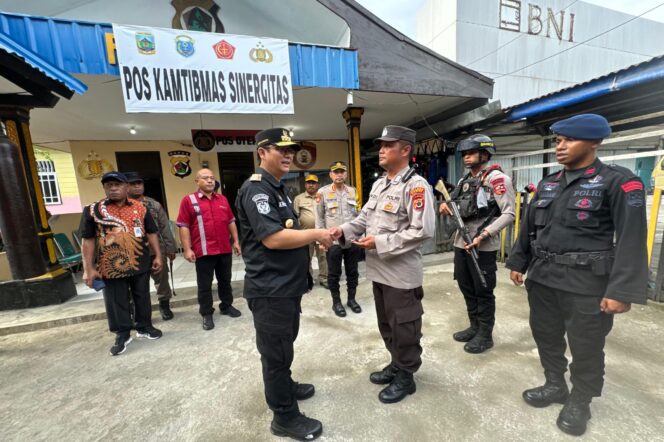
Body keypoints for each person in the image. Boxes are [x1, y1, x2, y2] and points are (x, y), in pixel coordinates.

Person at [506, 114, 648, 436]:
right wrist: (518, 261)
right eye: (558, 140)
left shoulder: (617, 181)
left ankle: (581, 400)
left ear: (594, 142)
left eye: (569, 139)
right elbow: (529, 226)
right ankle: (555, 384)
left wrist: (622, 290)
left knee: (586, 346)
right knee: (546, 336)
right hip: (543, 278)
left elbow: (632, 238)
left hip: (587, 283)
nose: (560, 146)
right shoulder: (549, 183)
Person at [236, 128, 334, 441]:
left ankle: (286, 388)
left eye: (291, 149)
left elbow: (289, 232)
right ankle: (284, 415)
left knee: (284, 345)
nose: (289, 154)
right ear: (262, 152)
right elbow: (274, 238)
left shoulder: (278, 188)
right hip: (270, 289)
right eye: (281, 149)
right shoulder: (257, 191)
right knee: (275, 355)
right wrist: (318, 235)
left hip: (285, 287)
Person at [330, 125, 435, 404]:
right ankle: (397, 363)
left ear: (405, 150)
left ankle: (407, 376)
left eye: (389, 145)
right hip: (379, 271)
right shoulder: (380, 184)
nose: (381, 150)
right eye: (381, 145)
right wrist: (343, 231)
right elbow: (363, 220)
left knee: (405, 326)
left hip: (401, 275)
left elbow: (422, 231)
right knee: (387, 324)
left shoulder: (416, 186)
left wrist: (381, 242)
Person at [438, 135, 516, 353]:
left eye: (471, 153)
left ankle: (485, 334)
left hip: (483, 244)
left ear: (484, 154)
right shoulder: (464, 181)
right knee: (465, 285)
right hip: (461, 241)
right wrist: (445, 207)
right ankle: (474, 327)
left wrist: (486, 234)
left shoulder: (497, 179)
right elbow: (454, 203)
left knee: (483, 289)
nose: (466, 157)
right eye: (464, 154)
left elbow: (509, 213)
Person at [80, 171, 163, 356]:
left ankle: (144, 326)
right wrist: (88, 269)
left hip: (138, 262)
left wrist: (157, 255)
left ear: (126, 187)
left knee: (142, 296)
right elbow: (88, 240)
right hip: (110, 266)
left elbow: (151, 232)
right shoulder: (93, 210)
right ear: (104, 188)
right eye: (109, 185)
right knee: (116, 301)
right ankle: (122, 334)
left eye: (117, 185)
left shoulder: (141, 207)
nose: (113, 188)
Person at [177, 168, 241, 331]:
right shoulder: (188, 200)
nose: (210, 181)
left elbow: (231, 221)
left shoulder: (222, 199)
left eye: (212, 178)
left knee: (225, 281)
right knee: (204, 285)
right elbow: (183, 226)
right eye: (205, 178)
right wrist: (186, 249)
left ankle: (226, 306)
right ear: (197, 181)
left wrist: (236, 241)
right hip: (203, 251)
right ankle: (206, 313)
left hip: (224, 249)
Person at [125, 172, 178, 320]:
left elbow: (164, 227)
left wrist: (170, 248)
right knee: (135, 285)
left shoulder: (153, 205)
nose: (137, 186)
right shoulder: (121, 207)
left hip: (156, 251)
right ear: (126, 187)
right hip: (133, 252)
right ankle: (137, 311)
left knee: (162, 280)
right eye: (133, 184)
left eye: (139, 183)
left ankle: (164, 305)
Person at [315, 161, 362, 317]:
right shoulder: (322, 192)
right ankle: (336, 302)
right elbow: (319, 218)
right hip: (333, 241)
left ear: (346, 174)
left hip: (351, 239)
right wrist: (321, 240)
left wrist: (360, 235)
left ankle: (352, 299)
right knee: (334, 274)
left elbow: (358, 215)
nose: (339, 174)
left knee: (352, 272)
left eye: (342, 172)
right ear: (331, 175)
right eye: (336, 172)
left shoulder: (353, 191)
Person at [293, 174, 328, 288]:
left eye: (314, 183)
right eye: (309, 183)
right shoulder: (299, 199)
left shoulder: (323, 197)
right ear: (305, 184)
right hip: (305, 234)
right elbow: (295, 217)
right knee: (306, 257)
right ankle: (309, 279)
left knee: (322, 256)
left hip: (321, 233)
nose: (311, 185)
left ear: (318, 185)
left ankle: (324, 278)